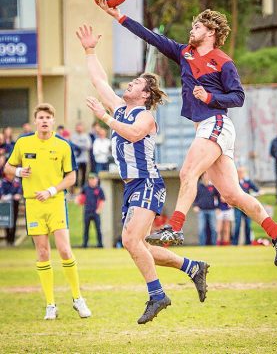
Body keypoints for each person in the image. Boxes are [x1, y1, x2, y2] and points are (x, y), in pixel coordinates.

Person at [97, 2, 277, 266]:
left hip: (215, 123)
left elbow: (238, 97)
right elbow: (151, 37)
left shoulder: (223, 62)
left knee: (187, 173)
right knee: (231, 195)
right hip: (207, 127)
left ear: (211, 31)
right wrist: (120, 16)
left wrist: (210, 96)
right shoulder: (184, 53)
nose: (192, 30)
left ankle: (175, 227)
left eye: (197, 26)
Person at [77, 24, 209, 324]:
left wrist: (104, 117)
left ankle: (157, 295)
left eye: (136, 83)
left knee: (131, 241)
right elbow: (98, 80)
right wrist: (89, 51)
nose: (130, 85)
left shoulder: (144, 116)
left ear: (145, 93)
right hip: (133, 186)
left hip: (148, 183)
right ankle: (192, 268)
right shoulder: (120, 108)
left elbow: (134, 135)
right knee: (140, 245)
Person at [4, 103, 91, 320]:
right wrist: (17, 171)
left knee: (64, 250)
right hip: (33, 204)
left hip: (55, 202)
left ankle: (77, 298)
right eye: (41, 117)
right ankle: (50, 304)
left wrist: (52, 190)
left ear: (53, 121)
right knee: (42, 253)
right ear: (35, 121)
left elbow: (71, 177)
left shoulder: (63, 145)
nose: (44, 120)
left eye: (48, 117)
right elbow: (7, 167)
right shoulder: (23, 143)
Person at [75, 172, 105, 248]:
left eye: (93, 179)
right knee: (86, 229)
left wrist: (99, 209)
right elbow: (81, 197)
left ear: (97, 180)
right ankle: (85, 244)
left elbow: (102, 200)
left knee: (98, 229)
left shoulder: (99, 189)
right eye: (90, 179)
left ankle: (100, 244)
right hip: (87, 212)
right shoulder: (85, 188)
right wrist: (78, 200)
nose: (91, 181)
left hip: (95, 212)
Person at [232, 166, 259, 245]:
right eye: (239, 172)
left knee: (248, 225)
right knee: (237, 225)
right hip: (237, 207)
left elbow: (256, 189)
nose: (241, 174)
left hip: (247, 207)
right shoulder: (235, 181)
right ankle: (235, 243)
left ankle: (248, 243)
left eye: (242, 172)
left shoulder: (248, 182)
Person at [193, 172, 219, 246]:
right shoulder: (198, 186)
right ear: (202, 176)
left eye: (208, 175)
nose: (206, 176)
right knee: (201, 229)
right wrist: (195, 206)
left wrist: (218, 208)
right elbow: (194, 197)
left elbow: (218, 197)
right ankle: (202, 245)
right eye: (205, 175)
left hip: (212, 210)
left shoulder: (213, 186)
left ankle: (214, 245)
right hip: (201, 210)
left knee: (214, 228)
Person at [0, 173, 22, 245]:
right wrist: (11, 196)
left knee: (14, 222)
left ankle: (12, 241)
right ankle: (8, 240)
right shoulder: (3, 182)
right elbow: (2, 194)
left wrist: (17, 195)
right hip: (6, 204)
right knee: (7, 221)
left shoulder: (16, 181)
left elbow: (19, 191)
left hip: (15, 204)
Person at [71, 122, 92, 188]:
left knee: (84, 173)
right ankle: (75, 187)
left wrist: (79, 145)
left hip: (84, 159)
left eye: (80, 127)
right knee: (75, 174)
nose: (79, 129)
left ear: (83, 128)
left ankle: (83, 187)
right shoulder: (73, 136)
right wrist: (82, 145)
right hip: (76, 159)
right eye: (78, 127)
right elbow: (73, 145)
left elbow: (88, 146)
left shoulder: (86, 136)